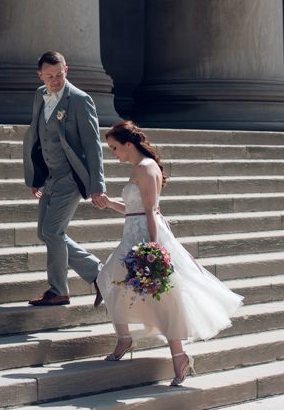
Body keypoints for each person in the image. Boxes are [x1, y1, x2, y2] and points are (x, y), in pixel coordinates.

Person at [95, 120, 243, 386]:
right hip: (132, 235)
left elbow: (151, 211)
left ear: (128, 144)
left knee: (163, 297)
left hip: (144, 239)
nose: (114, 154)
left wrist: (152, 249)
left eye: (115, 148)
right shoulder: (138, 168)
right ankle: (125, 339)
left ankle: (179, 357)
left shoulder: (146, 168)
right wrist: (108, 204)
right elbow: (135, 209)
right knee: (109, 281)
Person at [23, 51, 105, 307]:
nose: (56, 80)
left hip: (71, 177)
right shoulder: (39, 95)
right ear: (40, 75)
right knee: (45, 232)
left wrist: (97, 186)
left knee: (52, 231)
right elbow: (37, 135)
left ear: (66, 70)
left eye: (59, 75)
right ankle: (98, 274)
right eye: (50, 76)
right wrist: (35, 176)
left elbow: (93, 146)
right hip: (49, 177)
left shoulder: (80, 100)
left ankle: (58, 290)